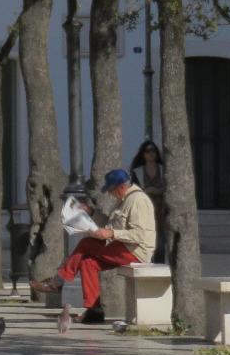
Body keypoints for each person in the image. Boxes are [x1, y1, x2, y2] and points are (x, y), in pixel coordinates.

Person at [37, 168, 155, 328]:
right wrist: (91, 212)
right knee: (88, 262)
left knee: (86, 245)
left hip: (135, 251)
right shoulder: (124, 199)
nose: (111, 194)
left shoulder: (137, 200)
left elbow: (139, 234)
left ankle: (58, 282)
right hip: (124, 248)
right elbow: (111, 222)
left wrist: (110, 233)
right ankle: (93, 311)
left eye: (111, 190)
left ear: (120, 187)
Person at [130, 140, 166, 264]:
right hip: (144, 209)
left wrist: (156, 190)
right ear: (143, 154)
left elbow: (169, 188)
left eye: (153, 150)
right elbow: (134, 190)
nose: (151, 153)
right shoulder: (138, 171)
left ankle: (159, 265)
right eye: (147, 151)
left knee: (160, 242)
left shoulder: (163, 169)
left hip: (161, 210)